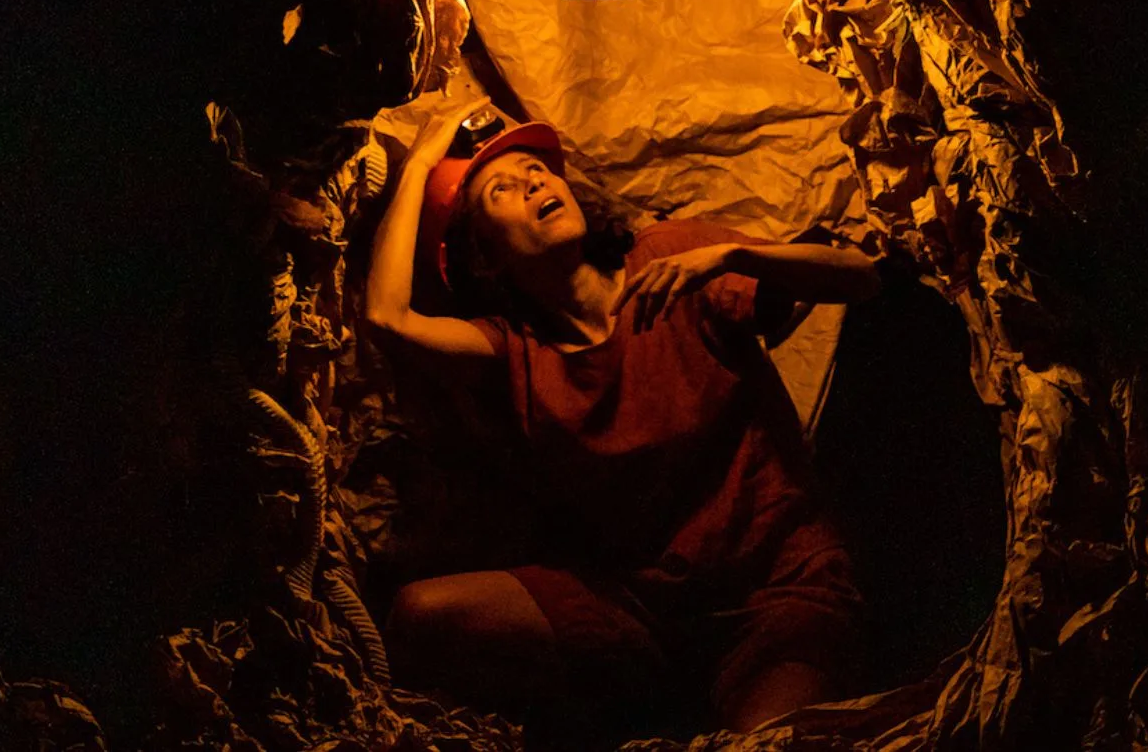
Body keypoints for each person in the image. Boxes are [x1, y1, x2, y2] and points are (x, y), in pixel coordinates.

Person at [365, 99, 881, 734]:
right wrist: (419, 164)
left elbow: (860, 277)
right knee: (420, 617)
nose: (533, 183)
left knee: (768, 744)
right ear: (485, 255)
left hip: (777, 588)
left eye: (537, 170)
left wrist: (734, 257)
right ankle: (633, 707)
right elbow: (387, 318)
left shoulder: (670, 261)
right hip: (641, 606)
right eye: (502, 189)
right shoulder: (514, 351)